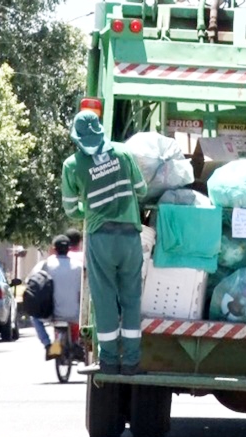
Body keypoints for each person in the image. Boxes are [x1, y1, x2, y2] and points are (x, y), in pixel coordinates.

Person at [61, 111, 148, 376]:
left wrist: (88, 210)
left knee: (105, 300)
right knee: (131, 299)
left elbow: (70, 209)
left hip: (101, 239)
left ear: (77, 138)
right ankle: (132, 362)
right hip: (130, 238)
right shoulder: (123, 153)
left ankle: (109, 360)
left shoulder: (72, 165)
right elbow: (142, 190)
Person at [28, 235, 83, 360]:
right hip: (75, 314)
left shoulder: (46, 264)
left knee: (34, 318)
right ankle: (76, 343)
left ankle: (48, 345)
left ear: (54, 249)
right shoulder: (78, 266)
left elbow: (31, 281)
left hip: (51, 313)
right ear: (69, 249)